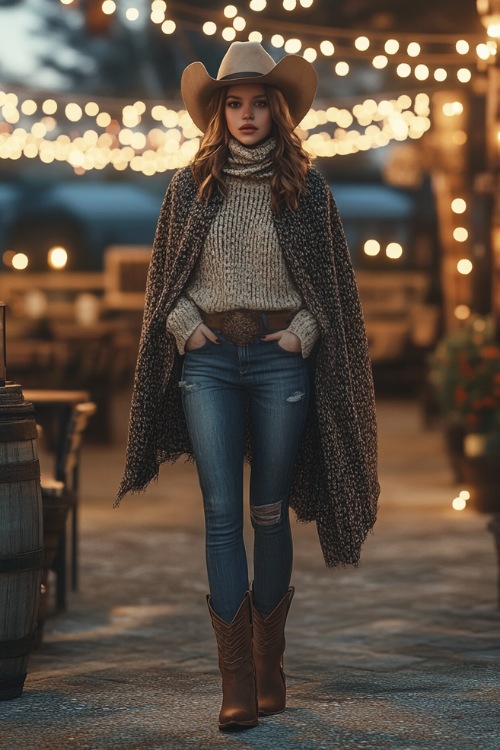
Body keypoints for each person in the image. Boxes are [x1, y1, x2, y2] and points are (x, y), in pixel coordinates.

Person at [117, 41, 379, 730]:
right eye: (234, 102)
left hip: (279, 358)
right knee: (220, 512)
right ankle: (234, 681)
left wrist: (303, 333)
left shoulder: (307, 187)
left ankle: (270, 667)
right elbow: (162, 281)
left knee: (268, 509)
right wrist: (183, 325)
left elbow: (332, 288)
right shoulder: (188, 186)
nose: (247, 113)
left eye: (259, 101)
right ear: (217, 112)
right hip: (207, 361)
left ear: (278, 109)